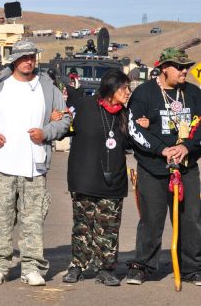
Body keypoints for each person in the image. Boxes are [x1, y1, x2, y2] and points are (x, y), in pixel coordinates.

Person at [0, 40, 70, 286]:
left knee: (33, 219)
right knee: (0, 218)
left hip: (35, 165)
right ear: (14, 60)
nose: (28, 61)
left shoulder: (48, 87)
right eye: (23, 57)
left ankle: (32, 267)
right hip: (2, 165)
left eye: (32, 56)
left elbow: (64, 119)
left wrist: (46, 132)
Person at [126, 47, 201, 286]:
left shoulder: (193, 93)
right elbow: (133, 128)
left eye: (186, 66)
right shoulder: (144, 93)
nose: (184, 70)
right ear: (163, 68)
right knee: (152, 218)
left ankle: (192, 268)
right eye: (179, 67)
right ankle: (143, 266)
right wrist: (162, 149)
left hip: (186, 168)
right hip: (153, 168)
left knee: (192, 219)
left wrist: (188, 146)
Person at [62, 69, 131, 286]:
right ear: (111, 88)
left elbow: (130, 144)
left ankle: (106, 269)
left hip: (113, 180)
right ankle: (77, 266)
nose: (128, 92)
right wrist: (59, 118)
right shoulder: (84, 105)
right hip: (84, 176)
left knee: (108, 228)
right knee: (82, 225)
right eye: (124, 88)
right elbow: (65, 127)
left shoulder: (126, 114)